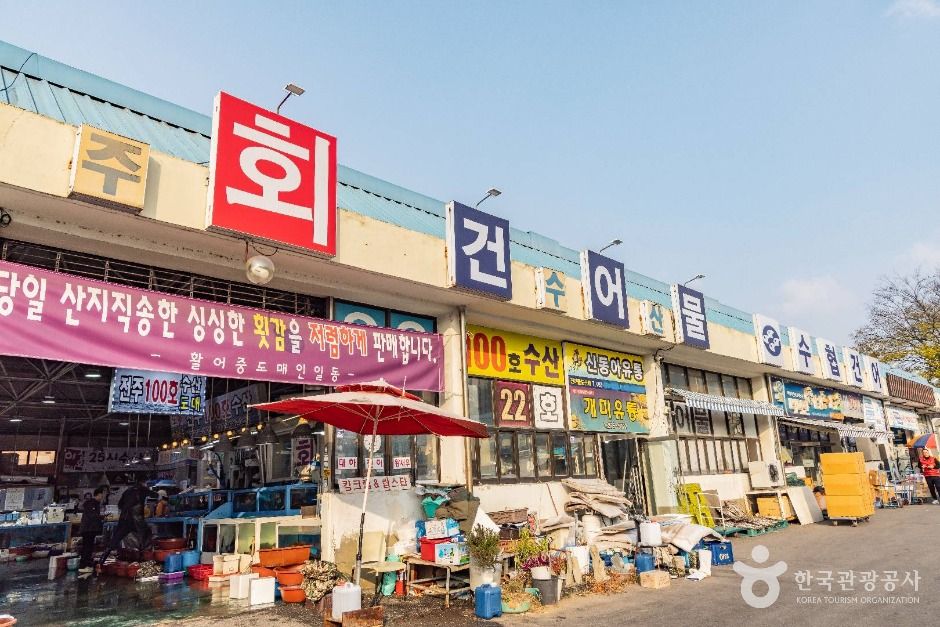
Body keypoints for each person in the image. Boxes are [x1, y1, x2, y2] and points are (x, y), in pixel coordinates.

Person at [98, 479, 157, 565]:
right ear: (142, 483)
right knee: (146, 535)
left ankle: (101, 562)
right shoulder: (143, 490)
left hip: (123, 519)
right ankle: (143, 560)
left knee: (115, 539)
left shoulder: (127, 491)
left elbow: (120, 505)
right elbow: (155, 496)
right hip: (136, 520)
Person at [78, 487, 106, 574]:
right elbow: (92, 516)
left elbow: (94, 515)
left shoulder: (95, 503)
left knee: (89, 547)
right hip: (88, 529)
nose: (103, 497)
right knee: (87, 547)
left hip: (90, 529)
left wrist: (102, 517)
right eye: (103, 494)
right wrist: (101, 517)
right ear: (99, 494)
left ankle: (86, 565)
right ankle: (83, 566)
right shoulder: (92, 503)